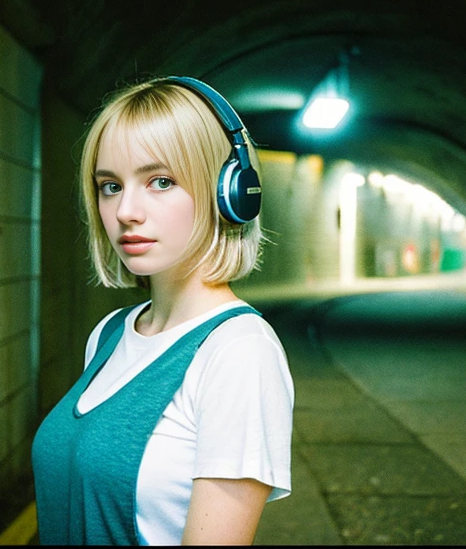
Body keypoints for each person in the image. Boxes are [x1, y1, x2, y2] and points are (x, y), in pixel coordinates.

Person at [31, 76, 294, 545]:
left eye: (160, 181)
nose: (126, 210)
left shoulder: (239, 354)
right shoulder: (110, 333)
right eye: (110, 186)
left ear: (230, 195)